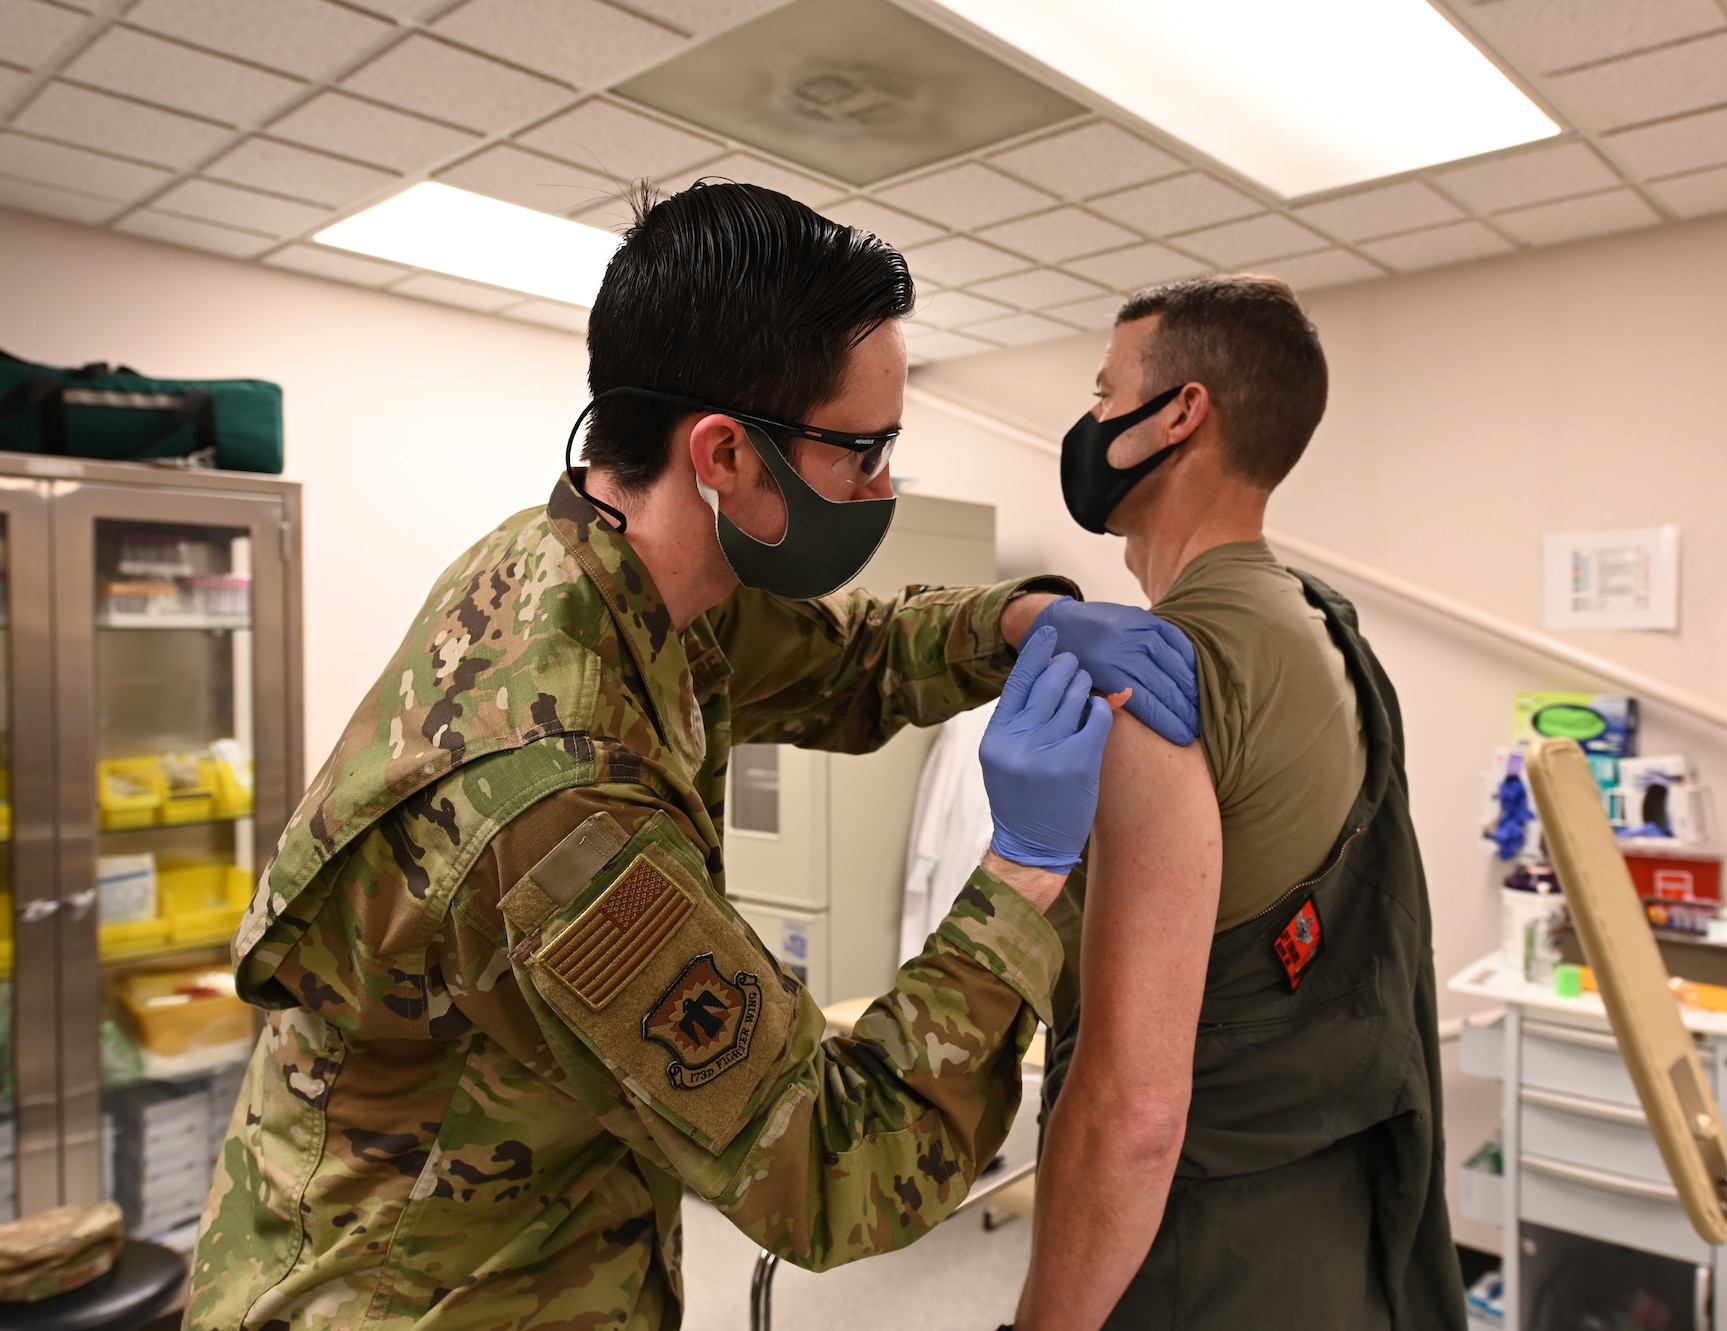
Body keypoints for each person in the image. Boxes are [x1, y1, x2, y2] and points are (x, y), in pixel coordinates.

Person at [187, 181, 1201, 1331]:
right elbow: (837, 1168)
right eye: (861, 451)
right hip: (420, 1294)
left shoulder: (594, 562)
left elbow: (847, 659)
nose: (880, 489)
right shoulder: (556, 807)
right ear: (723, 451)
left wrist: (1010, 626)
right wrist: (1021, 872)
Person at [1014, 276, 1464, 1330]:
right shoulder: (1317, 626)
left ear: (1178, 413)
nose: (1087, 420)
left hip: (1193, 1257)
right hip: (1327, 1225)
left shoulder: (1167, 678)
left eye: (1103, 390)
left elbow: (1132, 1111)